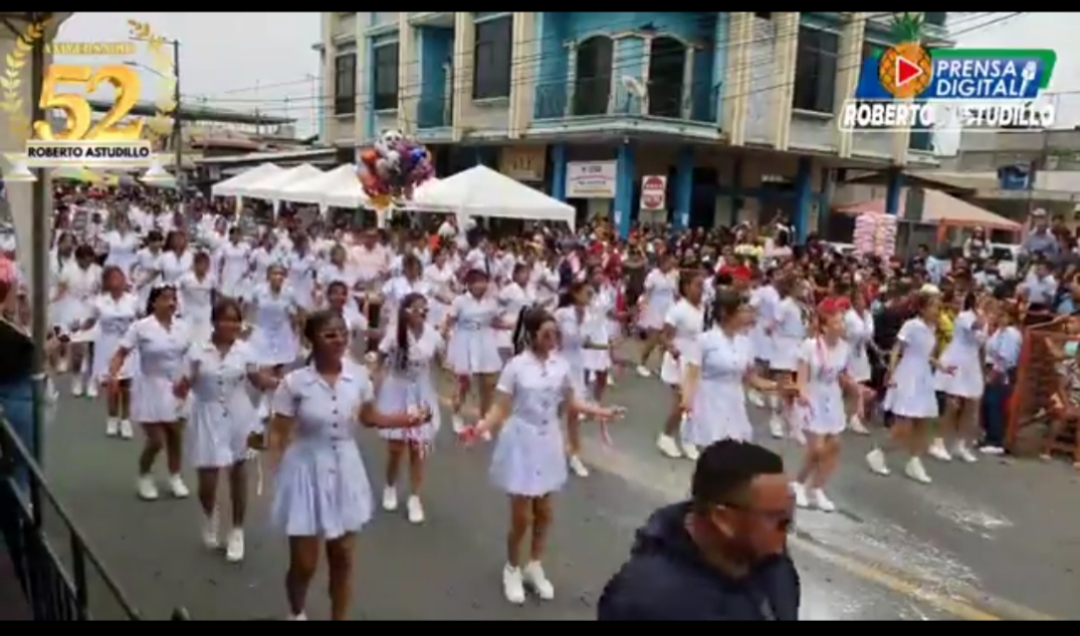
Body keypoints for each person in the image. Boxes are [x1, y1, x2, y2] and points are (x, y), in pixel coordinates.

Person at [268, 310, 426, 621]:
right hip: (305, 470)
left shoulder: (358, 377)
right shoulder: (294, 383)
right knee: (304, 563)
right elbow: (278, 433)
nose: (338, 340)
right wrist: (276, 472)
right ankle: (296, 612)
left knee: (342, 557)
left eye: (343, 334)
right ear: (312, 340)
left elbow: (369, 417)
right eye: (329, 335)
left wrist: (406, 419)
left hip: (345, 468)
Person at [462, 307, 622, 605]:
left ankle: (534, 564)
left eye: (555, 334)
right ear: (532, 335)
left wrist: (603, 411)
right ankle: (512, 567)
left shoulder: (561, 365)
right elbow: (500, 407)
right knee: (521, 516)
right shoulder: (516, 367)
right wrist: (480, 427)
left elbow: (573, 402)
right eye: (547, 334)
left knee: (545, 511)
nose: (553, 339)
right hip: (521, 440)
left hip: (548, 439)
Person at [597, 440, 799, 620]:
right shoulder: (645, 601)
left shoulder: (771, 562)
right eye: (777, 518)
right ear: (723, 519)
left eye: (789, 516)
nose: (787, 528)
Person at [176, 298, 276, 563]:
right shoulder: (197, 350)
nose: (231, 325)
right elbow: (181, 387)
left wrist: (283, 384)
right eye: (225, 320)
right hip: (206, 413)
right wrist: (187, 380)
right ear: (214, 322)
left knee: (238, 472)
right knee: (207, 481)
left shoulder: (245, 350)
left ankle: (237, 530)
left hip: (239, 413)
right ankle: (210, 515)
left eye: (235, 320)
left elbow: (257, 379)